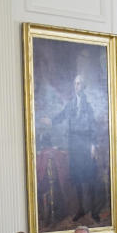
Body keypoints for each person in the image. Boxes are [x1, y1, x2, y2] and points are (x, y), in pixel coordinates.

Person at [42, 74, 100, 221]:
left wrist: (93, 146)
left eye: (79, 84)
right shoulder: (71, 103)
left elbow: (93, 127)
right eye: (75, 83)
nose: (77, 86)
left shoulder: (88, 106)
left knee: (90, 178)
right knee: (78, 178)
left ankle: (94, 211)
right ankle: (81, 208)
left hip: (86, 144)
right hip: (74, 145)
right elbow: (62, 115)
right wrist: (51, 121)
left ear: (84, 86)